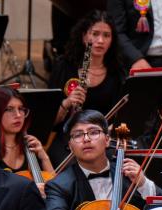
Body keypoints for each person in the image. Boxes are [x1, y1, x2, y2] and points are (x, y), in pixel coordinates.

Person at [47, 10, 125, 166]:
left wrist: (102, 134)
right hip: (68, 136)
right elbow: (48, 119)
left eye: (106, 35)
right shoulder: (64, 66)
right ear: (84, 36)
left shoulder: (117, 73)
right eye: (95, 34)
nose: (100, 40)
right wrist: (67, 102)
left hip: (102, 138)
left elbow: (120, 118)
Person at [0, 86, 53, 195]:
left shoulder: (29, 145)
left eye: (21, 109)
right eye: (9, 109)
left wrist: (44, 157)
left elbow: (55, 188)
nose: (18, 115)